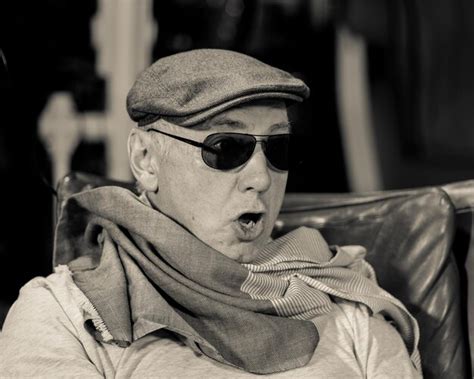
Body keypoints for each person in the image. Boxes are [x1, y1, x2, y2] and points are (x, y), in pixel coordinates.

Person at [0, 49, 422, 378]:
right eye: (226, 148)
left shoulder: (347, 306)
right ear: (146, 159)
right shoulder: (67, 316)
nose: (260, 177)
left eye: (279, 149)